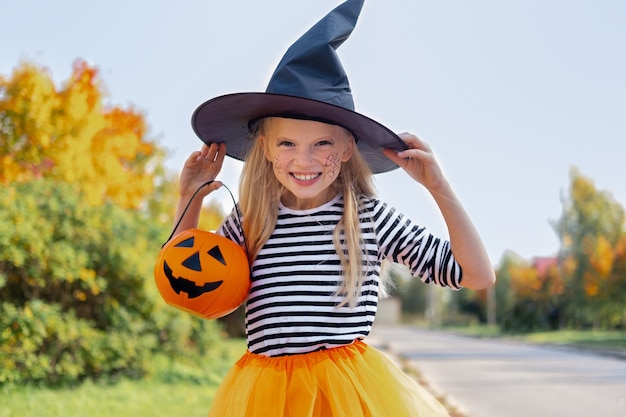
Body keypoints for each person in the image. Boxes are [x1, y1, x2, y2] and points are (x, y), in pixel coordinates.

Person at [171, 1, 495, 416]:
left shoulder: (368, 218)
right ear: (265, 148)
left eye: (321, 144)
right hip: (266, 397)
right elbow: (187, 288)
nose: (303, 161)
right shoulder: (250, 220)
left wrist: (439, 187)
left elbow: (477, 274)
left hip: (345, 397)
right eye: (288, 143)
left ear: (345, 149)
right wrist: (190, 197)